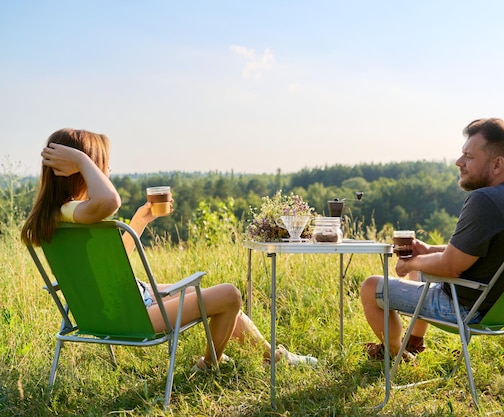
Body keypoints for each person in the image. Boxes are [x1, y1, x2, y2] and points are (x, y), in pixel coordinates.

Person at [21, 128, 317, 370]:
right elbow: (110, 201)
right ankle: (210, 364)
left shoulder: (58, 214)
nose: (108, 170)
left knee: (203, 294)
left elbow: (110, 263)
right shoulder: (75, 211)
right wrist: (83, 161)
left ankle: (272, 355)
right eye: (102, 164)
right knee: (229, 295)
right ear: (76, 170)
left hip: (119, 304)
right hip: (133, 314)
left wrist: (140, 220)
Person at [360, 118, 504, 359]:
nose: (459, 162)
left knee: (371, 287)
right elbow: (481, 252)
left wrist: (410, 263)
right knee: (423, 268)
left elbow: (450, 267)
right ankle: (413, 343)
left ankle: (398, 355)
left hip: (468, 309)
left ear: (497, 164)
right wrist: (427, 250)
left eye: (469, 156)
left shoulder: (485, 200)